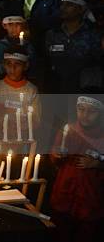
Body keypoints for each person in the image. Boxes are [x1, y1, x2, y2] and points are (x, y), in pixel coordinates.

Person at [50, 96, 104, 242]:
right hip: (64, 196)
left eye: (92, 112)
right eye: (81, 109)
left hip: (90, 201)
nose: (85, 115)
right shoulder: (68, 131)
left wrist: (98, 164)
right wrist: (56, 155)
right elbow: (54, 160)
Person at [45, 0, 102, 94]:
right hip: (57, 90)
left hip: (83, 91)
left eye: (69, 5)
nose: (63, 8)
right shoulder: (52, 34)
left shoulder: (93, 35)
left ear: (81, 9)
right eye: (62, 4)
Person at [0, 45, 41, 140]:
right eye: (9, 64)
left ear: (26, 66)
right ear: (4, 65)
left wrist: (21, 125)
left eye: (17, 64)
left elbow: (36, 120)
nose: (12, 69)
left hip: (22, 141)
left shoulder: (32, 90)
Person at [0, 15, 36, 84]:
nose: (14, 27)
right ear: (5, 26)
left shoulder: (28, 46)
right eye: (10, 24)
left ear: (22, 26)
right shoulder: (0, 46)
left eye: (18, 24)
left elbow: (33, 68)